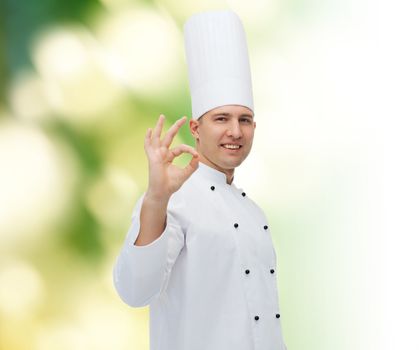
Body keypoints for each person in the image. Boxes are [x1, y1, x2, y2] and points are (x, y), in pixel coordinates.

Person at [113, 10, 288, 350]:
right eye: (221, 119)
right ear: (196, 129)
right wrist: (155, 199)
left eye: (245, 120)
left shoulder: (254, 213)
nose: (235, 131)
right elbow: (135, 291)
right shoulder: (173, 197)